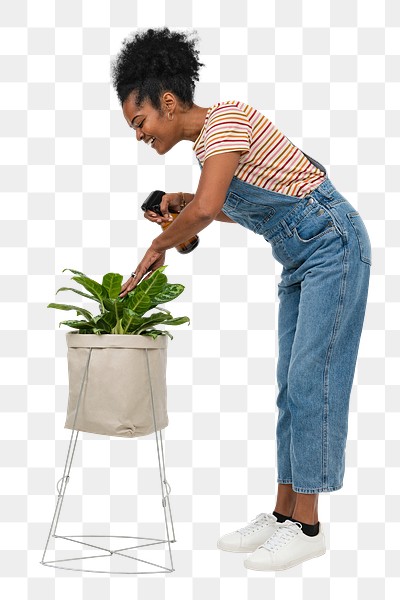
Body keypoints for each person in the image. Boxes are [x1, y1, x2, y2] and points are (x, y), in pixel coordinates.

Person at [112, 27, 371, 571]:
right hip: (301, 258)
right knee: (288, 386)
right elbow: (239, 209)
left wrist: (162, 241)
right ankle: (282, 515)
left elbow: (207, 208)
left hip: (334, 246)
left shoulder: (225, 119)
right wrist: (182, 208)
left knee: (311, 379)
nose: (139, 135)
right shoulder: (211, 152)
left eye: (140, 122)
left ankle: (309, 524)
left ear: (167, 102)